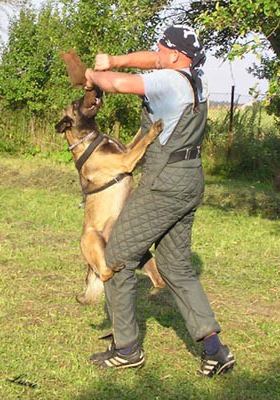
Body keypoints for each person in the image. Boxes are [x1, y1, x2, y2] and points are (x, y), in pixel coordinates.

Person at [84, 25, 235, 377]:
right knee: (176, 267)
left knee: (117, 257)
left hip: (163, 183)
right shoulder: (196, 77)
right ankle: (215, 351)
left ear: (176, 56)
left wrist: (93, 74)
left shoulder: (169, 83)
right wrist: (115, 59)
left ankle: (127, 348)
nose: (155, 50)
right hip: (189, 179)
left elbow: (119, 84)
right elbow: (152, 60)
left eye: (162, 47)